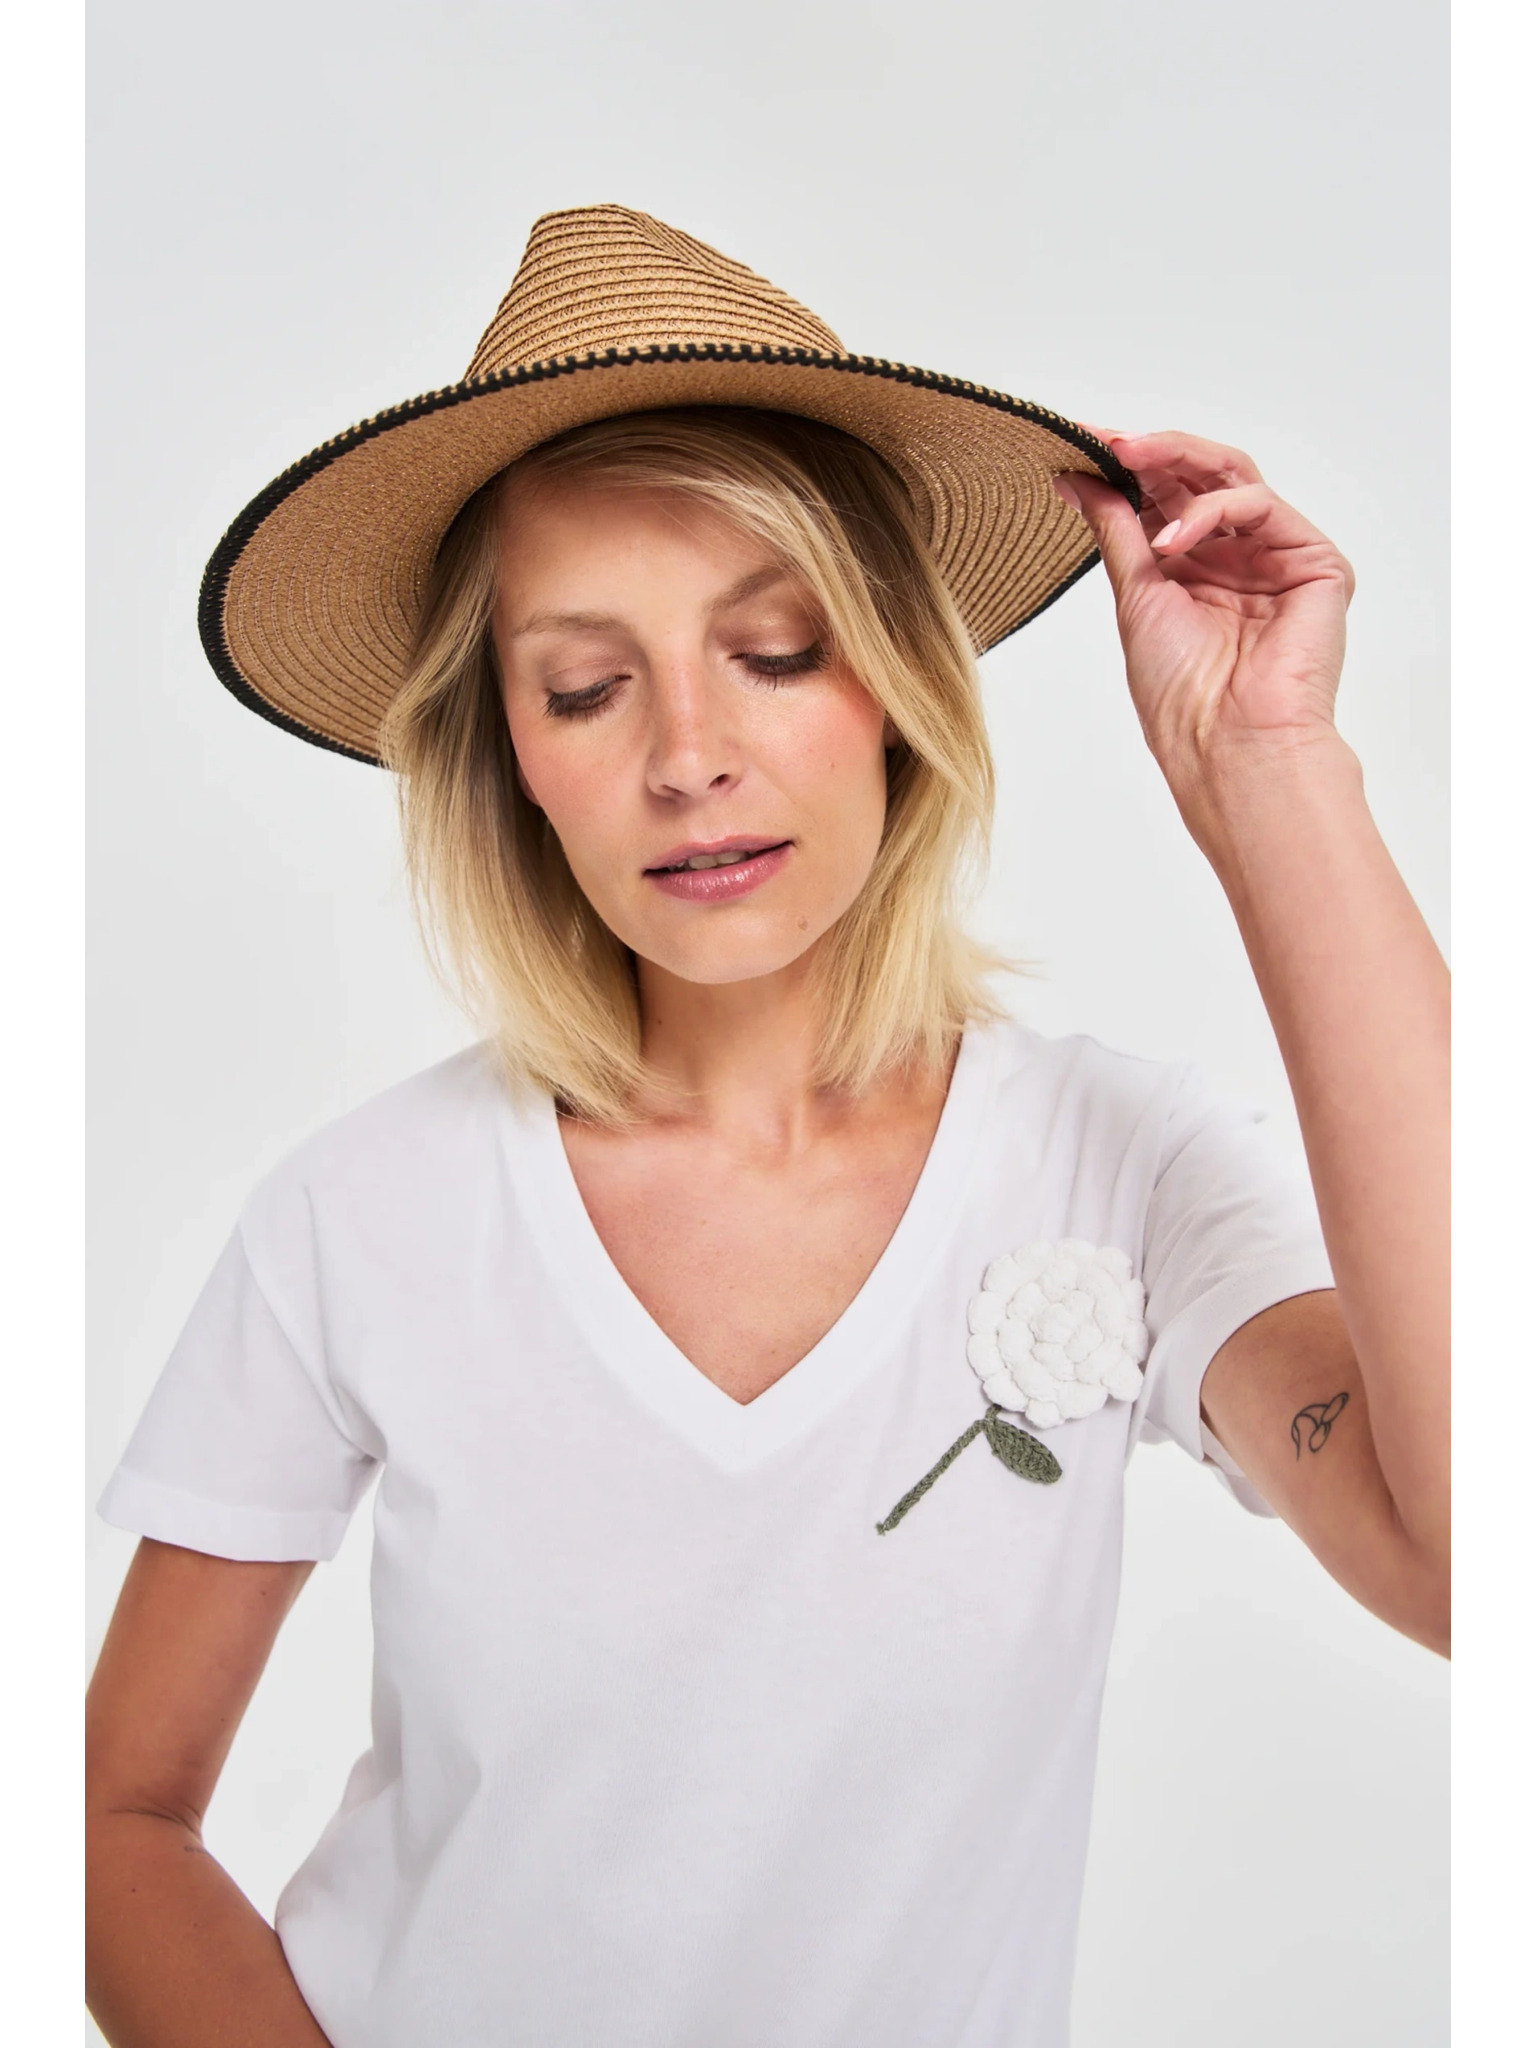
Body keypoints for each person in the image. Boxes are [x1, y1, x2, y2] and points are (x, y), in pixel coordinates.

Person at [84, 206, 1449, 2048]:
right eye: (585, 688)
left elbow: (1476, 1563)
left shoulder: (1115, 1174)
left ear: (896, 683)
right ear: (511, 757)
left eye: (780, 652)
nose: (685, 755)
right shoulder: (360, 1216)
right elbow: (111, 1819)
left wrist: (1271, 774)